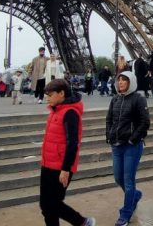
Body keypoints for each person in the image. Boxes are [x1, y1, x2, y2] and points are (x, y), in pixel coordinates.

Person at [39, 79, 95, 226]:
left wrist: (65, 169)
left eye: (50, 94)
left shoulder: (70, 113)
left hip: (60, 166)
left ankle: (83, 222)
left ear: (61, 93)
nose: (47, 98)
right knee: (45, 205)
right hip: (47, 163)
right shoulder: (55, 110)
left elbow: (73, 143)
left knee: (53, 204)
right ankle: (83, 222)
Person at [106, 71, 151, 226]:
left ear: (131, 82)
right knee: (118, 178)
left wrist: (133, 139)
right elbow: (109, 119)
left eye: (124, 80)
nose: (120, 82)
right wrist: (109, 135)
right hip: (116, 145)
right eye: (119, 80)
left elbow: (145, 122)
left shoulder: (138, 99)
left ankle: (125, 214)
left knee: (128, 180)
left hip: (132, 146)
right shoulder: (115, 99)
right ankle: (135, 195)